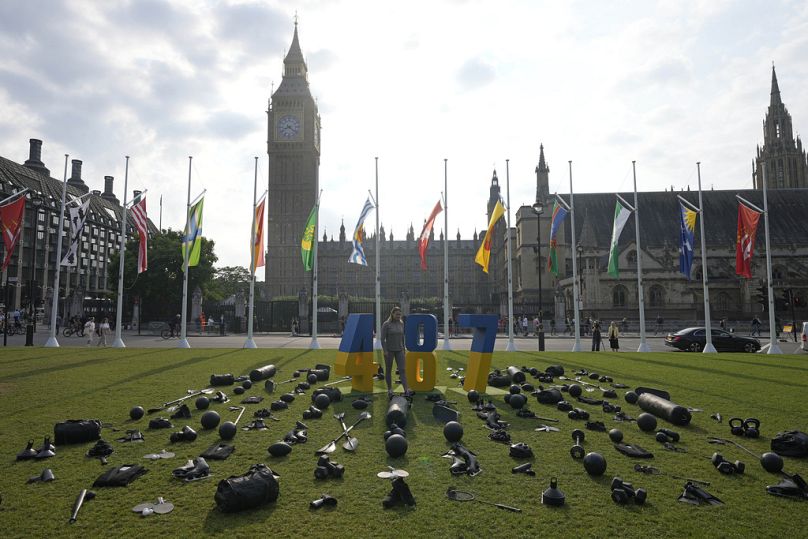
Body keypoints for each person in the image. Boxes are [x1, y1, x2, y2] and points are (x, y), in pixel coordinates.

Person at [381, 306, 410, 399]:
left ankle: (406, 390)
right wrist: (385, 350)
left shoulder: (401, 323)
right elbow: (382, 339)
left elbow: (402, 337)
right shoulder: (386, 324)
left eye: (399, 314)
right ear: (392, 314)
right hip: (389, 351)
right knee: (388, 370)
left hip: (400, 350)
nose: (398, 316)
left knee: (402, 370)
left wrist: (404, 349)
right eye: (397, 314)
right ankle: (390, 390)